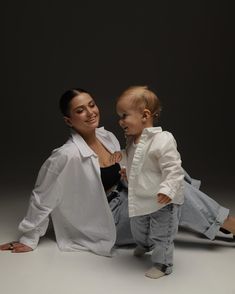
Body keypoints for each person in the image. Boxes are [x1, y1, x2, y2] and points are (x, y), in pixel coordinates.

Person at [0, 87, 235, 255]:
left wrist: (129, 171)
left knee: (164, 168)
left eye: (91, 104)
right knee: (174, 189)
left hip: (125, 197)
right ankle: (229, 223)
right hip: (109, 219)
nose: (90, 112)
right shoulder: (65, 156)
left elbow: (128, 161)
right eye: (80, 110)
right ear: (69, 120)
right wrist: (29, 238)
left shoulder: (107, 136)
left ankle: (213, 218)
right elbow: (42, 197)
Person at [116, 85, 185, 279]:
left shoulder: (163, 139)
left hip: (163, 200)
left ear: (145, 115)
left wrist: (168, 189)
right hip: (141, 196)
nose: (120, 121)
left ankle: (163, 264)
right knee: (138, 227)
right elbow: (133, 160)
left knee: (162, 234)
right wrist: (124, 165)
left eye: (124, 115)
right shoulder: (131, 140)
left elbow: (173, 168)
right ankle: (144, 245)